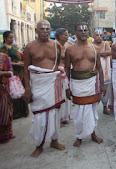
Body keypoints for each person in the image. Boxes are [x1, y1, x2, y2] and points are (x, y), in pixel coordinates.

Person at [23, 20, 65, 157]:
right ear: (36, 30)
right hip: (38, 85)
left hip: (53, 84)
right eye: (42, 29)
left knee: (54, 114)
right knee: (39, 116)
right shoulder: (30, 47)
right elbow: (26, 69)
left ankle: (54, 140)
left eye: (47, 29)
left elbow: (59, 63)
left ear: (50, 30)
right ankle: (39, 145)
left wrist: (56, 74)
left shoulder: (56, 45)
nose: (45, 31)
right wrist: (27, 88)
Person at [65, 23, 105, 147]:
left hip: (92, 83)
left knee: (92, 110)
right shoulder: (70, 49)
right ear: (75, 33)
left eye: (85, 30)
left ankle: (93, 133)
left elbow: (99, 68)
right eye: (80, 30)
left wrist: (102, 84)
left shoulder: (95, 49)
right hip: (77, 84)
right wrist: (67, 87)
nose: (83, 32)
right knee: (79, 112)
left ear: (88, 32)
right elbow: (66, 69)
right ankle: (79, 136)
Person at [1, 31, 29, 119]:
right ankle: (15, 113)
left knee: (21, 91)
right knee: (14, 92)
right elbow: (6, 62)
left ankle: (23, 112)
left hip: (20, 72)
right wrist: (17, 64)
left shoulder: (12, 47)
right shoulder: (4, 49)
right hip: (13, 73)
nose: (12, 39)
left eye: (13, 37)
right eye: (10, 38)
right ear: (5, 38)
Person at [92, 30, 114, 115]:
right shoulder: (91, 45)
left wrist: (97, 53)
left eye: (100, 35)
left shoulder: (105, 44)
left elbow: (110, 52)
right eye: (97, 35)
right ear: (93, 36)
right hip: (95, 73)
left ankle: (105, 108)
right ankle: (93, 109)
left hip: (106, 74)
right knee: (95, 90)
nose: (99, 37)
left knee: (106, 91)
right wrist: (103, 54)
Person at [55, 28, 72, 127]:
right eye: (65, 35)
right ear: (59, 36)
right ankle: (58, 119)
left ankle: (65, 115)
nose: (67, 37)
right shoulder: (54, 45)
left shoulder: (68, 44)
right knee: (59, 95)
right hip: (58, 71)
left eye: (67, 35)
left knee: (67, 94)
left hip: (66, 71)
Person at [0, 52, 14, 142]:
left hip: (4, 87)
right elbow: (9, 72)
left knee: (5, 109)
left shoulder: (5, 56)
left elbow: (11, 71)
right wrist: (5, 73)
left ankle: (6, 133)